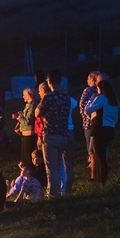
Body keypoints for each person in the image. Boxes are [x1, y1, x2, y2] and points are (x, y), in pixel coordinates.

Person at [35, 70, 74, 198]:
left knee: (52, 167)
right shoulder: (66, 97)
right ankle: (66, 190)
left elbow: (37, 112)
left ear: (49, 81)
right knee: (63, 165)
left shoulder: (49, 97)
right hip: (64, 134)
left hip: (51, 135)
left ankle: (54, 194)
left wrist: (43, 115)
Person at [85, 79, 120, 183]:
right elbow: (116, 117)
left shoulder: (102, 98)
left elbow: (87, 110)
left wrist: (92, 98)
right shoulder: (113, 100)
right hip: (110, 129)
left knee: (99, 157)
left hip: (100, 130)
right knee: (102, 155)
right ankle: (102, 179)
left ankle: (102, 180)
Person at [79, 71, 100, 166]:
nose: (87, 80)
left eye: (88, 78)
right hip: (100, 120)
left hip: (88, 122)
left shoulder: (88, 90)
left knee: (89, 142)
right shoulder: (101, 90)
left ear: (92, 79)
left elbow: (82, 104)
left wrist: (85, 116)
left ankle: (92, 161)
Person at [14, 87, 38, 164]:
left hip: (29, 133)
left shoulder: (32, 105)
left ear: (28, 95)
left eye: (24, 95)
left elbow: (28, 121)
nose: (23, 97)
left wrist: (19, 117)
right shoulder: (28, 105)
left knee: (28, 157)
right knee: (24, 156)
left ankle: (31, 172)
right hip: (25, 133)